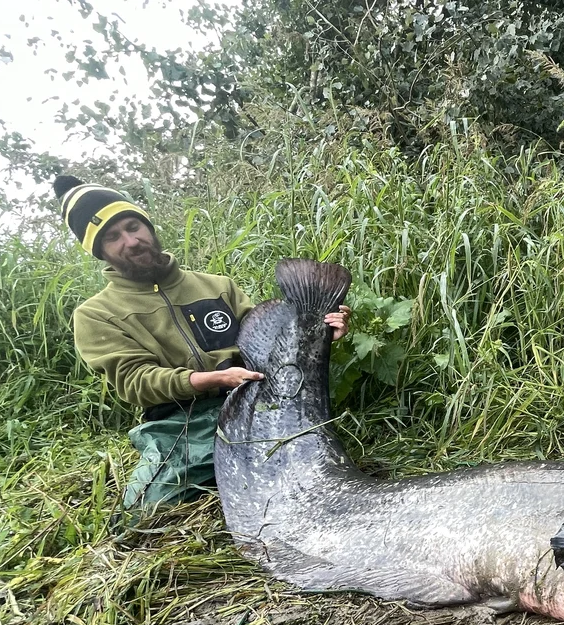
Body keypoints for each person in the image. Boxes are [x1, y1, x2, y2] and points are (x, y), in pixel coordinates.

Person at [55, 175, 349, 512]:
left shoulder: (217, 285)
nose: (131, 241)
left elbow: (267, 343)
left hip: (253, 402)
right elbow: (135, 382)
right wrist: (209, 379)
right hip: (180, 422)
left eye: (133, 226)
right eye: (113, 237)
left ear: (148, 226)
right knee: (144, 512)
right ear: (100, 252)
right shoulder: (96, 314)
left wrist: (319, 333)